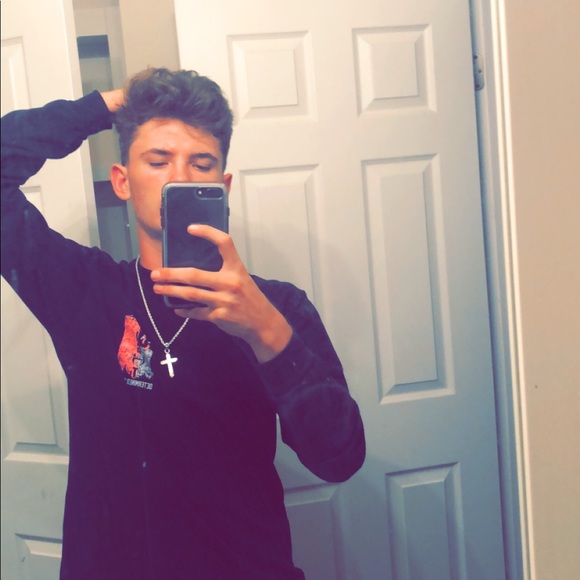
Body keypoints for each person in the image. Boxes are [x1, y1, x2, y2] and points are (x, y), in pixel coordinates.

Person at [1, 67, 365, 579]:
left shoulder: (278, 307)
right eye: (158, 160)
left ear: (223, 185)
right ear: (122, 181)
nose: (181, 177)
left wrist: (267, 332)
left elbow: (339, 458)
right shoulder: (82, 291)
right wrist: (110, 105)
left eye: (201, 163)